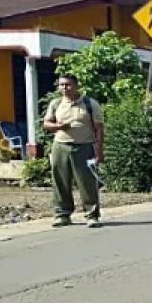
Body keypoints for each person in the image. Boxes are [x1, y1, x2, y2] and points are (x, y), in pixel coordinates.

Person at [43, 74, 104, 228]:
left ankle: (92, 215)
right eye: (62, 85)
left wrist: (99, 151)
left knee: (87, 181)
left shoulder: (90, 104)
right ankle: (62, 214)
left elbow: (99, 129)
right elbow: (47, 123)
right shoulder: (56, 104)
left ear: (77, 86)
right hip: (60, 146)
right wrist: (58, 127)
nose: (65, 88)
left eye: (68, 85)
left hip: (84, 147)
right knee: (60, 182)